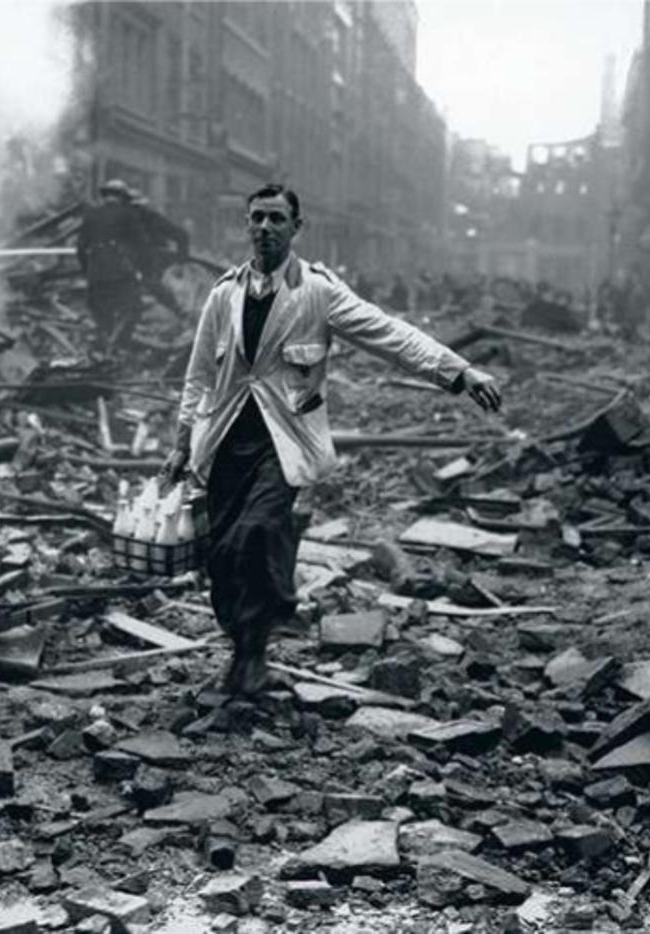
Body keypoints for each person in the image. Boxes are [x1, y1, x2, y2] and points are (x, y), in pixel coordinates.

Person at [160, 184, 501, 696]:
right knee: (223, 556)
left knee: (257, 534)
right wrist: (182, 441)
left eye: (277, 219)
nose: (265, 228)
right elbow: (198, 376)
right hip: (226, 440)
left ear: (297, 228)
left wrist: (458, 371)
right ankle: (243, 646)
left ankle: (253, 653)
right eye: (257, 218)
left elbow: (389, 334)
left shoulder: (317, 291)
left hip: (285, 442)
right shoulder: (223, 295)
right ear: (246, 224)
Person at [76, 179, 146, 349]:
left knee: (101, 314)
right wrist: (141, 268)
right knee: (134, 307)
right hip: (120, 273)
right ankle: (119, 346)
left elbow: (80, 247)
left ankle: (105, 345)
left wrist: (88, 271)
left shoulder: (91, 214)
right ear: (122, 197)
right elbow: (142, 244)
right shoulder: (128, 215)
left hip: (97, 275)